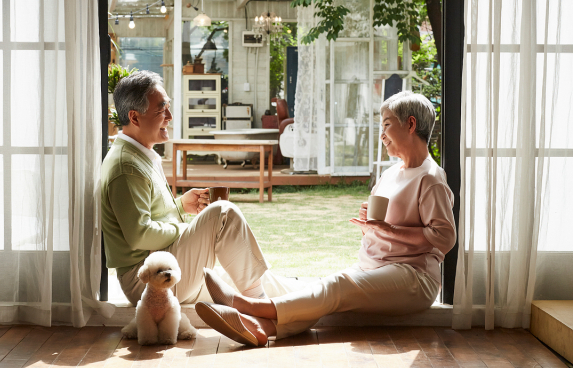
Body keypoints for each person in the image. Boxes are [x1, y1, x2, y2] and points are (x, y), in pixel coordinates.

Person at [195, 91, 457, 347]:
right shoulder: (390, 174)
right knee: (324, 292)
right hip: (374, 266)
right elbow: (385, 229)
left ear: (410, 124)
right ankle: (262, 329)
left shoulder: (430, 178)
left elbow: (444, 238)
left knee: (338, 286)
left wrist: (389, 229)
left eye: (387, 125)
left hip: (414, 277)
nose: (382, 135)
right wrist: (370, 226)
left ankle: (248, 305)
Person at [101, 70, 269, 307]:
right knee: (222, 213)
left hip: (164, 264)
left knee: (262, 284)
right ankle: (261, 308)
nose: (169, 116)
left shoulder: (140, 155)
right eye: (161, 109)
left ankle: (269, 306)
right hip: (147, 279)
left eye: (168, 106)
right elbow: (139, 235)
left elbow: (146, 217)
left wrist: (180, 206)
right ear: (135, 117)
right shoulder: (126, 166)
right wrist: (184, 228)